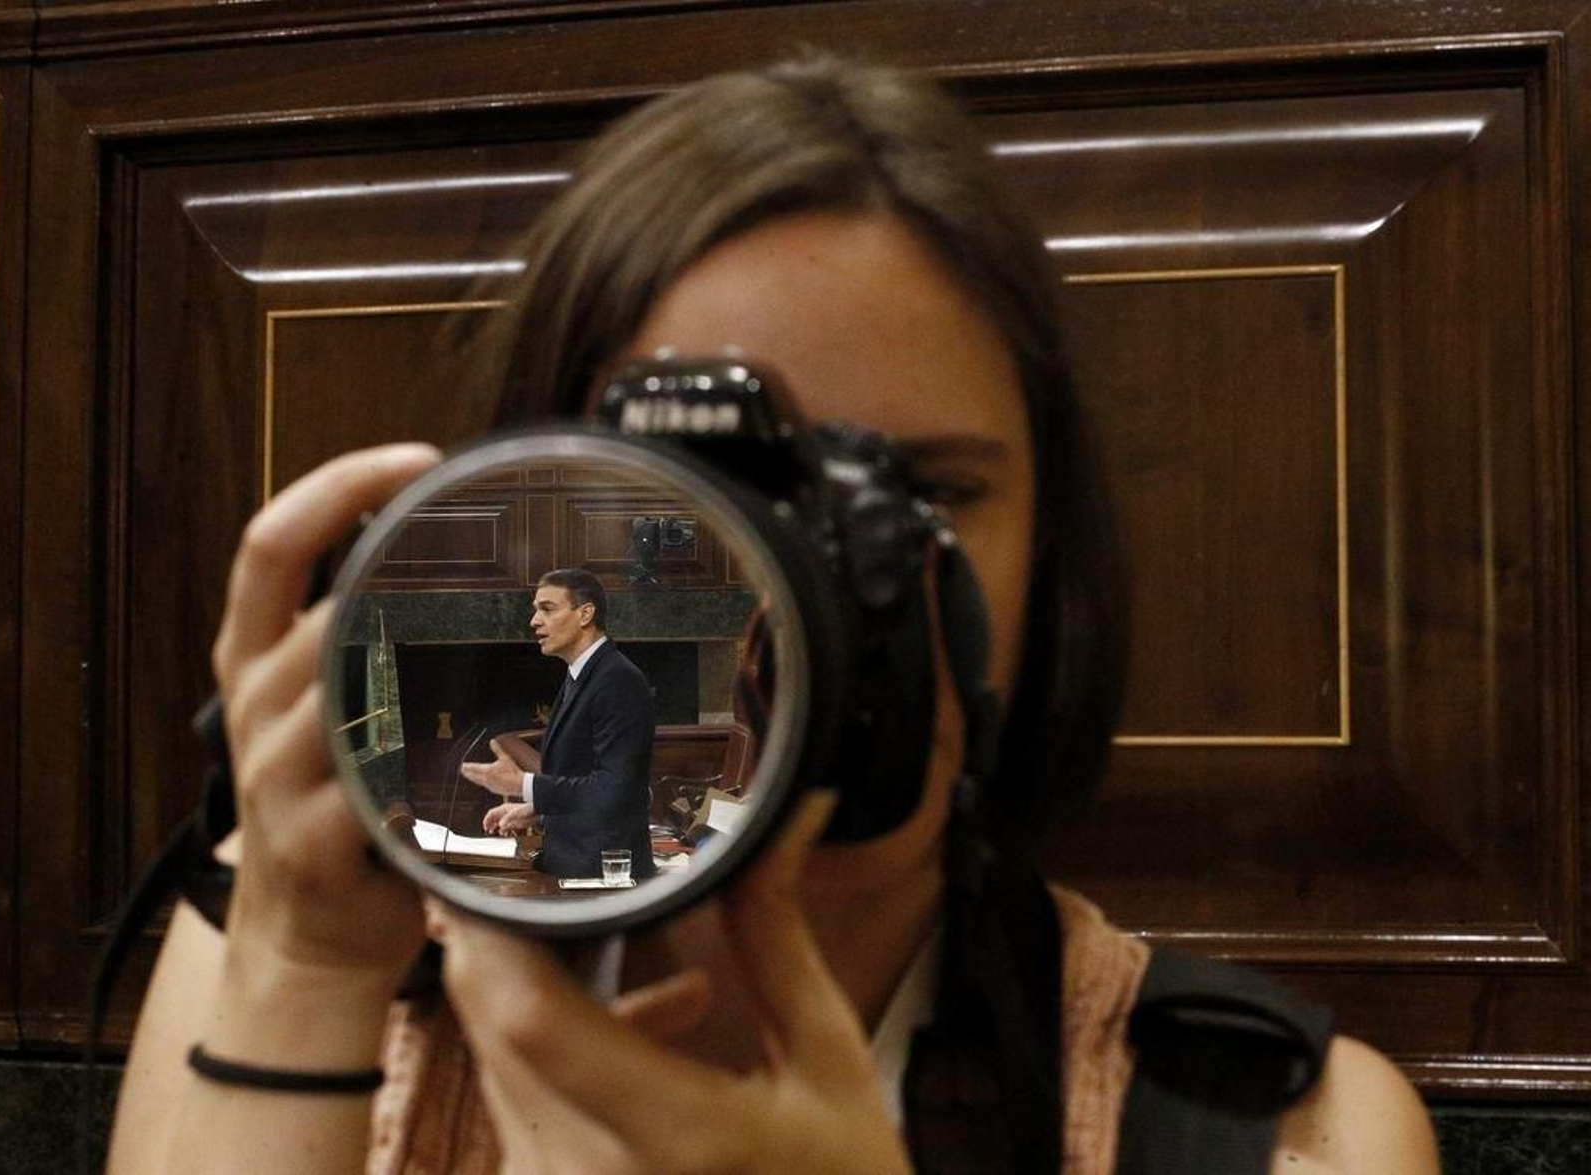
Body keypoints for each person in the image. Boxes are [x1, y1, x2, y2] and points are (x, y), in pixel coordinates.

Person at [106, 55, 1440, 1175]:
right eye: (693, 501)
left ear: (1059, 557)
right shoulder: (274, 955)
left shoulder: (1283, 1129)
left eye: (906, 490)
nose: (782, 588)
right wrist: (303, 968)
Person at [459, 567, 658, 880]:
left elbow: (616, 789)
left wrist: (522, 785)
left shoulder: (618, 680)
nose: (534, 621)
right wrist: (536, 809)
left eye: (547, 609)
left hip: (604, 874)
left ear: (585, 614)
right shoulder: (581, 673)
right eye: (535, 610)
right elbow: (582, 777)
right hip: (574, 863)